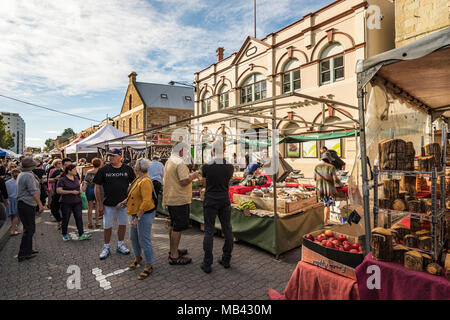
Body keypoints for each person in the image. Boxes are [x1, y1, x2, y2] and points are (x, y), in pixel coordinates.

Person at [200, 139, 234, 273]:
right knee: (227, 229)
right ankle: (226, 260)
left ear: (213, 150)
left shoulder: (207, 166)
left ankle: (207, 263)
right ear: (224, 150)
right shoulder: (230, 166)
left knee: (209, 231)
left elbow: (203, 183)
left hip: (210, 200)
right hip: (224, 199)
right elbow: (228, 182)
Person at [94, 148, 136, 260]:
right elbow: (97, 187)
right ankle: (106, 247)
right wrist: (99, 204)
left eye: (113, 155)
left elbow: (135, 184)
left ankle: (120, 245)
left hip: (123, 204)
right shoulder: (103, 169)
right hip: (108, 204)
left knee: (122, 225)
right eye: (110, 156)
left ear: (120, 156)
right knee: (107, 226)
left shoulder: (128, 169)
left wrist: (129, 199)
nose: (111, 157)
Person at [119, 158, 156, 280]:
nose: (134, 166)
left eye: (135, 165)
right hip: (135, 213)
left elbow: (146, 201)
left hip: (143, 214)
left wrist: (137, 218)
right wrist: (124, 202)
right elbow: (132, 194)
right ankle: (138, 257)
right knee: (133, 237)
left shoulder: (145, 181)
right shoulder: (138, 178)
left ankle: (149, 264)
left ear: (138, 168)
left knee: (144, 239)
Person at [163, 142, 198, 265]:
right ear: (181, 150)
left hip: (172, 198)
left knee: (173, 225)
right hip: (179, 199)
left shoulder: (170, 160)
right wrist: (193, 176)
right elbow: (184, 181)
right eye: (186, 151)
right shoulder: (179, 162)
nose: (187, 153)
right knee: (177, 227)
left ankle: (173, 250)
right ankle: (174, 256)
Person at [16, 157, 44, 262]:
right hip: (26, 204)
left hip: (25, 204)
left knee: (29, 228)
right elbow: (33, 191)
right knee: (29, 229)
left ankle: (28, 249)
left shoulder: (24, 174)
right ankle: (23, 253)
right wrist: (40, 205)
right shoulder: (27, 175)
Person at [57, 164, 91, 241]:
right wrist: (71, 192)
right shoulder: (62, 180)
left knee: (79, 218)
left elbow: (78, 187)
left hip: (77, 201)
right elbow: (58, 190)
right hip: (66, 202)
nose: (76, 171)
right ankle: (64, 234)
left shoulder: (75, 178)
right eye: (74, 169)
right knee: (66, 218)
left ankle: (81, 234)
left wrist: (81, 190)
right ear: (69, 171)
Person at [314, 152, 342, 227]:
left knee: (321, 205)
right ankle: (325, 222)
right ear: (329, 160)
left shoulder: (317, 167)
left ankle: (322, 221)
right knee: (327, 206)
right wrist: (341, 184)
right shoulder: (331, 167)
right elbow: (335, 179)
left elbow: (314, 178)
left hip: (319, 189)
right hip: (328, 190)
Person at [83, 158, 103, 229]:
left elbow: (86, 181)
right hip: (97, 189)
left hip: (89, 188)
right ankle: (97, 222)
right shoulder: (101, 171)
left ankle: (89, 223)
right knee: (97, 206)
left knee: (90, 207)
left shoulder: (89, 171)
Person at [48, 159, 63, 228]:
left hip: (67, 193)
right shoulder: (56, 171)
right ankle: (59, 220)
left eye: (61, 163)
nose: (60, 164)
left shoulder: (71, 171)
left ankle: (62, 223)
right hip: (56, 192)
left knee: (65, 209)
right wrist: (56, 178)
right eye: (58, 163)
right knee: (54, 208)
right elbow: (49, 180)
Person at [6, 169, 21, 236]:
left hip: (9, 199)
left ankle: (14, 227)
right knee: (16, 216)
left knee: (12, 215)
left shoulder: (7, 182)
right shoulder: (19, 183)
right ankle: (13, 230)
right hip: (16, 199)